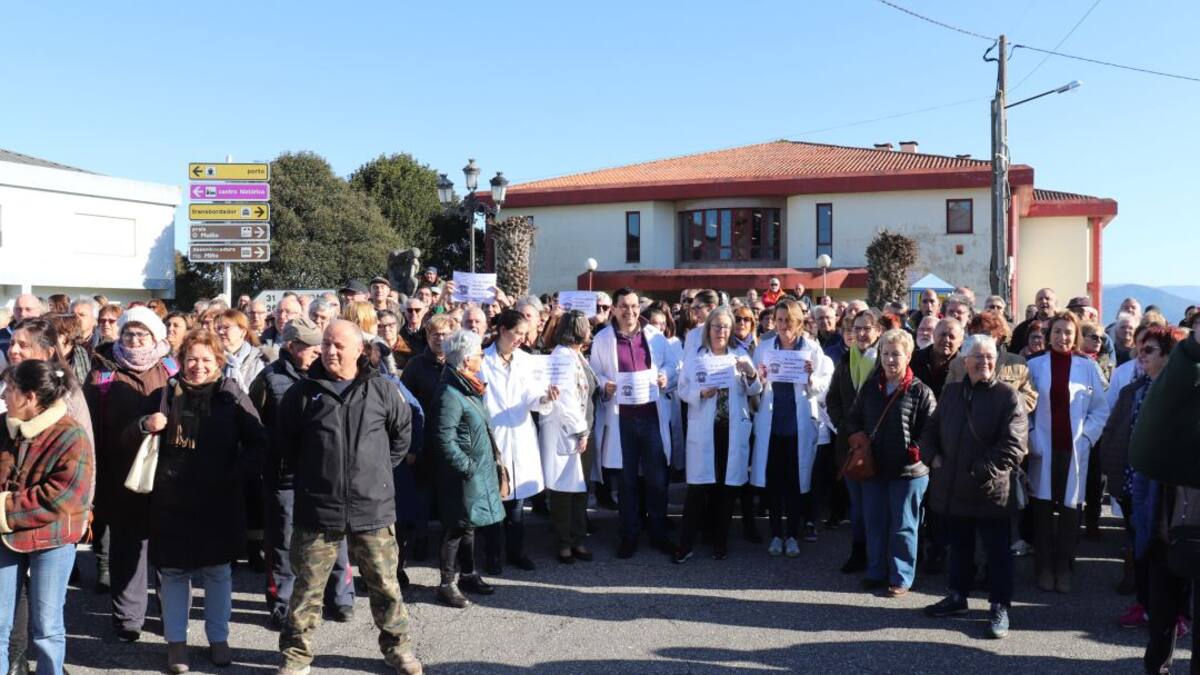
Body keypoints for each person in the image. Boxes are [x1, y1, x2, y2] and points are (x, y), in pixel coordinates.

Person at [274, 320, 420, 675]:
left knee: (385, 586)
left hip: (372, 507)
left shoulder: (383, 389)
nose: (330, 351)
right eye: (326, 344)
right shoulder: (303, 393)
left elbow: (401, 436)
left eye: (339, 345)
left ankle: (398, 649)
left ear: (359, 349)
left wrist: (375, 474)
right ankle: (296, 656)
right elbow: (285, 445)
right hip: (318, 509)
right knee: (306, 590)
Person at [146, 330, 267, 673]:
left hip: (219, 500)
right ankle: (176, 644)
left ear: (218, 362)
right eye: (192, 359)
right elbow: (134, 435)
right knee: (172, 574)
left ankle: (218, 638)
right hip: (172, 500)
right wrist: (145, 424)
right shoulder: (166, 394)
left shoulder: (231, 395)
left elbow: (259, 441)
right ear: (182, 360)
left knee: (217, 573)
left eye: (206, 360)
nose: (198, 366)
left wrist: (235, 475)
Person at [249, 317, 356, 631]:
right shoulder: (268, 379)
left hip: (326, 477)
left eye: (320, 346)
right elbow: (255, 425)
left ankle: (341, 597)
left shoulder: (328, 376)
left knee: (336, 537)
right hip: (284, 477)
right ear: (291, 347)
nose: (318, 352)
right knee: (282, 542)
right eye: (311, 347)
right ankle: (282, 603)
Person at [923, 334, 1028, 639]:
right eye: (978, 357)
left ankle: (999, 606)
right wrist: (933, 457)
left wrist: (979, 471)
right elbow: (931, 428)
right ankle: (957, 596)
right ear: (964, 360)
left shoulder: (1008, 396)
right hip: (954, 487)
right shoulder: (951, 393)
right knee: (959, 548)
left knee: (997, 553)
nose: (984, 362)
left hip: (990, 491)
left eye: (990, 357)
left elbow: (1014, 445)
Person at [84, 306, 177, 643]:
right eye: (128, 333)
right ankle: (128, 619)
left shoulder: (172, 368)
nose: (134, 340)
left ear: (156, 337)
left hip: (167, 476)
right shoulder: (103, 374)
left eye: (142, 334)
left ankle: (172, 615)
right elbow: (91, 429)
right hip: (119, 476)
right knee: (126, 548)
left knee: (168, 548)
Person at [0, 361, 94, 675]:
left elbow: (63, 496)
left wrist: (5, 506)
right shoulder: (3, 425)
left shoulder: (72, 435)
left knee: (47, 628)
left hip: (52, 539)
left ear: (29, 397)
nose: (4, 395)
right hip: (4, 537)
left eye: (10, 389)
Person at [1098, 325, 1183, 633]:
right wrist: (1112, 469)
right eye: (1139, 350)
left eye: (1149, 351)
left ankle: (1175, 615)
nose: (1140, 356)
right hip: (1132, 484)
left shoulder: (1182, 395)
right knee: (1141, 550)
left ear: (1169, 356)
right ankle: (1145, 605)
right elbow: (1112, 431)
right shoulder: (1132, 390)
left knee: (1168, 555)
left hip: (1168, 489)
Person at [845, 328, 937, 597]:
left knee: (904, 525)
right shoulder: (871, 387)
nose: (890, 360)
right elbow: (853, 418)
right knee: (874, 521)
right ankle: (876, 571)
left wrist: (915, 451)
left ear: (908, 356)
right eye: (885, 353)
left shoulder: (921, 391)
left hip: (909, 472)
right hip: (873, 468)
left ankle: (901, 576)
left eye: (896, 354)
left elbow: (931, 430)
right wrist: (857, 437)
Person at [1026, 311, 1109, 593]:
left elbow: (1101, 409)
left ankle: (1064, 566)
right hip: (1043, 449)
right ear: (1049, 335)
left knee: (1071, 511)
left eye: (1068, 333)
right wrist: (1032, 436)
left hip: (1074, 449)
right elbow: (1022, 407)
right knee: (1043, 511)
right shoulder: (1034, 365)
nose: (1063, 337)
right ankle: (1044, 567)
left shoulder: (1087, 367)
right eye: (1057, 331)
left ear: (1076, 337)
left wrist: (1086, 438)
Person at [590, 288, 673, 559]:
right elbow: (596, 373)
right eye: (624, 306)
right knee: (626, 483)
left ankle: (659, 534)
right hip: (621, 419)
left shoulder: (655, 336)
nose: (630, 311)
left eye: (635, 305)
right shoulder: (603, 339)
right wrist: (606, 385)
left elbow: (673, 366)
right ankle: (629, 535)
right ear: (613, 309)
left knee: (657, 480)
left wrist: (665, 377)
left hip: (650, 416)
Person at [675, 308, 761, 562]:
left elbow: (754, 389)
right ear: (708, 329)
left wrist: (751, 372)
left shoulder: (740, 355)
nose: (721, 331)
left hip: (731, 431)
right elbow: (682, 389)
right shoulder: (695, 357)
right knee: (697, 489)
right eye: (716, 326)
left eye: (726, 326)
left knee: (726, 489)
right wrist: (700, 394)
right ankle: (685, 544)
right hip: (705, 431)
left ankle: (720, 542)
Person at [750, 300, 834, 556]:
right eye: (780, 320)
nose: (784, 325)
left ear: (798, 322)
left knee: (797, 483)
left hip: (799, 427)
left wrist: (810, 378)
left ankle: (793, 535)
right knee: (775, 484)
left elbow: (823, 385)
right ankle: (776, 534)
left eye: (789, 320)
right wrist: (760, 378)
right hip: (772, 426)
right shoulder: (764, 348)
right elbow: (753, 387)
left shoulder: (811, 348)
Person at [431, 330, 504, 609]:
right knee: (455, 528)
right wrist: (468, 467)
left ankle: (469, 574)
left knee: (468, 524)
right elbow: (443, 438)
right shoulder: (451, 393)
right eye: (478, 354)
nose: (482, 357)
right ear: (465, 361)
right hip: (462, 474)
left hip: (474, 470)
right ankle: (447, 583)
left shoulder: (467, 386)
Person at [479, 310, 555, 574]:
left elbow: (533, 397)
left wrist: (546, 398)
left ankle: (516, 552)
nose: (521, 339)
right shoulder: (481, 360)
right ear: (501, 331)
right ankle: (492, 555)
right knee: (493, 500)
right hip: (493, 438)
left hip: (520, 436)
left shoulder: (527, 360)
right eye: (516, 334)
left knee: (517, 503)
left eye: (525, 334)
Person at [539, 311, 599, 564]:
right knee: (564, 489)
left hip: (583, 430)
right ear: (579, 330)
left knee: (579, 489)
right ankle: (564, 542)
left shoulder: (577, 356)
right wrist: (579, 431)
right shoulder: (562, 357)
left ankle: (577, 538)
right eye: (586, 326)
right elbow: (564, 398)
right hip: (569, 432)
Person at [826, 309, 882, 573]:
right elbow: (833, 399)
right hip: (849, 444)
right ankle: (858, 552)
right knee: (857, 507)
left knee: (875, 508)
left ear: (878, 331)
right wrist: (843, 427)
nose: (861, 333)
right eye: (857, 328)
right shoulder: (845, 362)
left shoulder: (885, 361)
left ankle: (877, 557)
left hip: (878, 445)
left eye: (867, 328)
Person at [1011, 287, 1057, 354]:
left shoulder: (1061, 325)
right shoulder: (1023, 328)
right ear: (1036, 303)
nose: (1043, 301)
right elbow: (1013, 353)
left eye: (1047, 299)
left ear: (1055, 302)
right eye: (1040, 299)